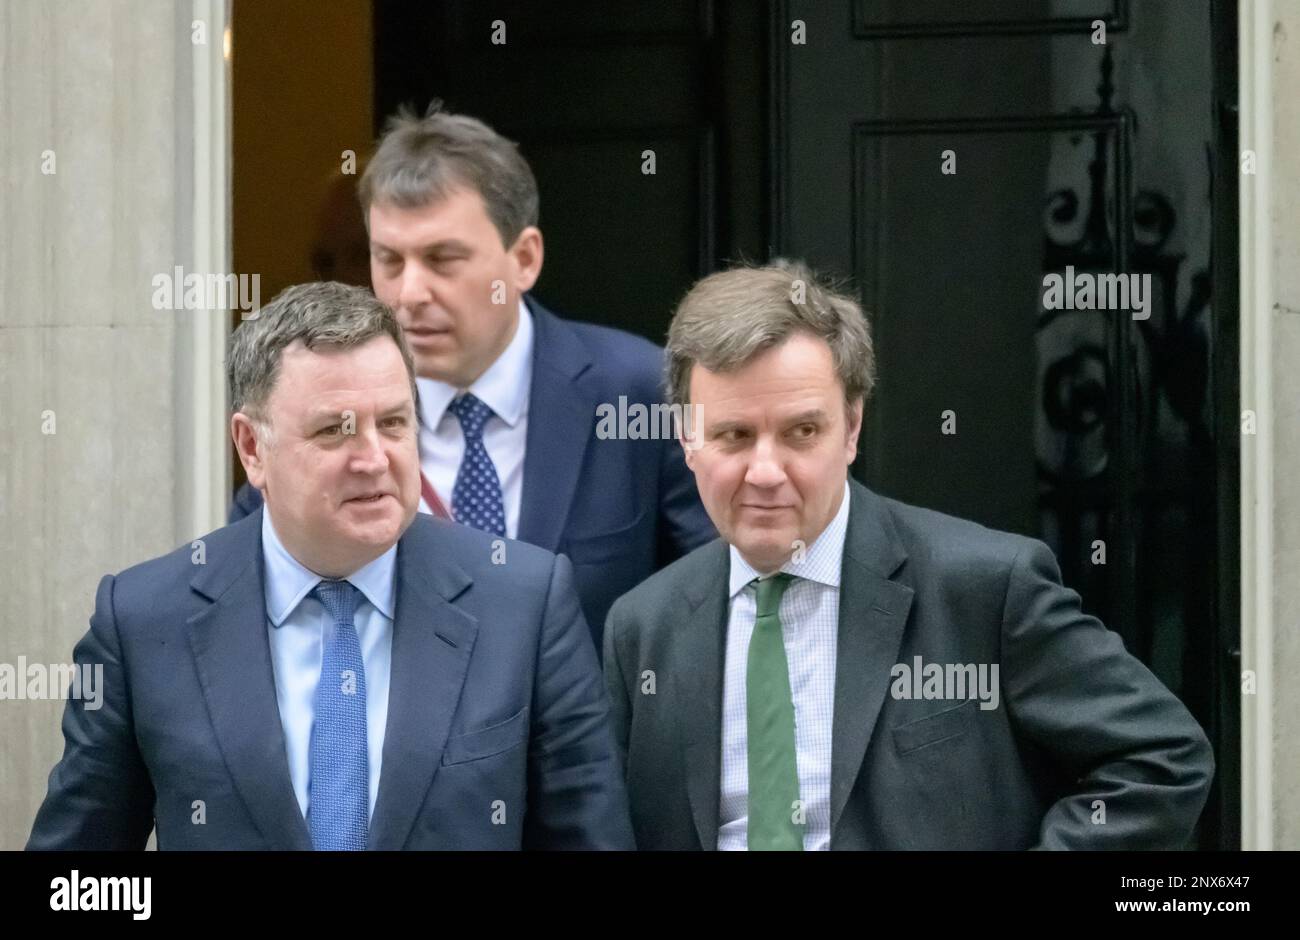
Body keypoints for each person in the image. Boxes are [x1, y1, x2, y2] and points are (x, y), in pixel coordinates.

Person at [603, 262, 1215, 850]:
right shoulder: (642, 628)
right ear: (687, 439)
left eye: (801, 432)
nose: (765, 472)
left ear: (852, 428)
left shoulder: (986, 588)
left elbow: (1163, 758)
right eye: (734, 435)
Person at [29, 282, 633, 850]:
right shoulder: (142, 621)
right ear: (251, 448)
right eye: (334, 431)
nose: (373, 458)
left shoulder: (524, 605)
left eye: (393, 423)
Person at [231, 103, 715, 644]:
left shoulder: (636, 391)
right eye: (389, 260)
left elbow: (713, 598)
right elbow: (244, 607)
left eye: (443, 259)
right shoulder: (310, 411)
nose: (409, 294)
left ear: (525, 259)